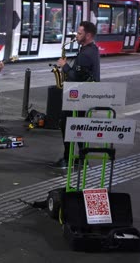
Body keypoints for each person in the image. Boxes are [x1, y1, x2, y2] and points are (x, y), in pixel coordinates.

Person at [49, 21, 100, 169]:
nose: (76, 36)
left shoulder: (86, 54)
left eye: (79, 33)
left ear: (88, 35)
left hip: (78, 98)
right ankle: (81, 159)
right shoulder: (93, 49)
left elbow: (74, 76)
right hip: (85, 96)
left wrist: (64, 65)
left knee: (67, 127)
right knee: (79, 128)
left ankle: (68, 159)